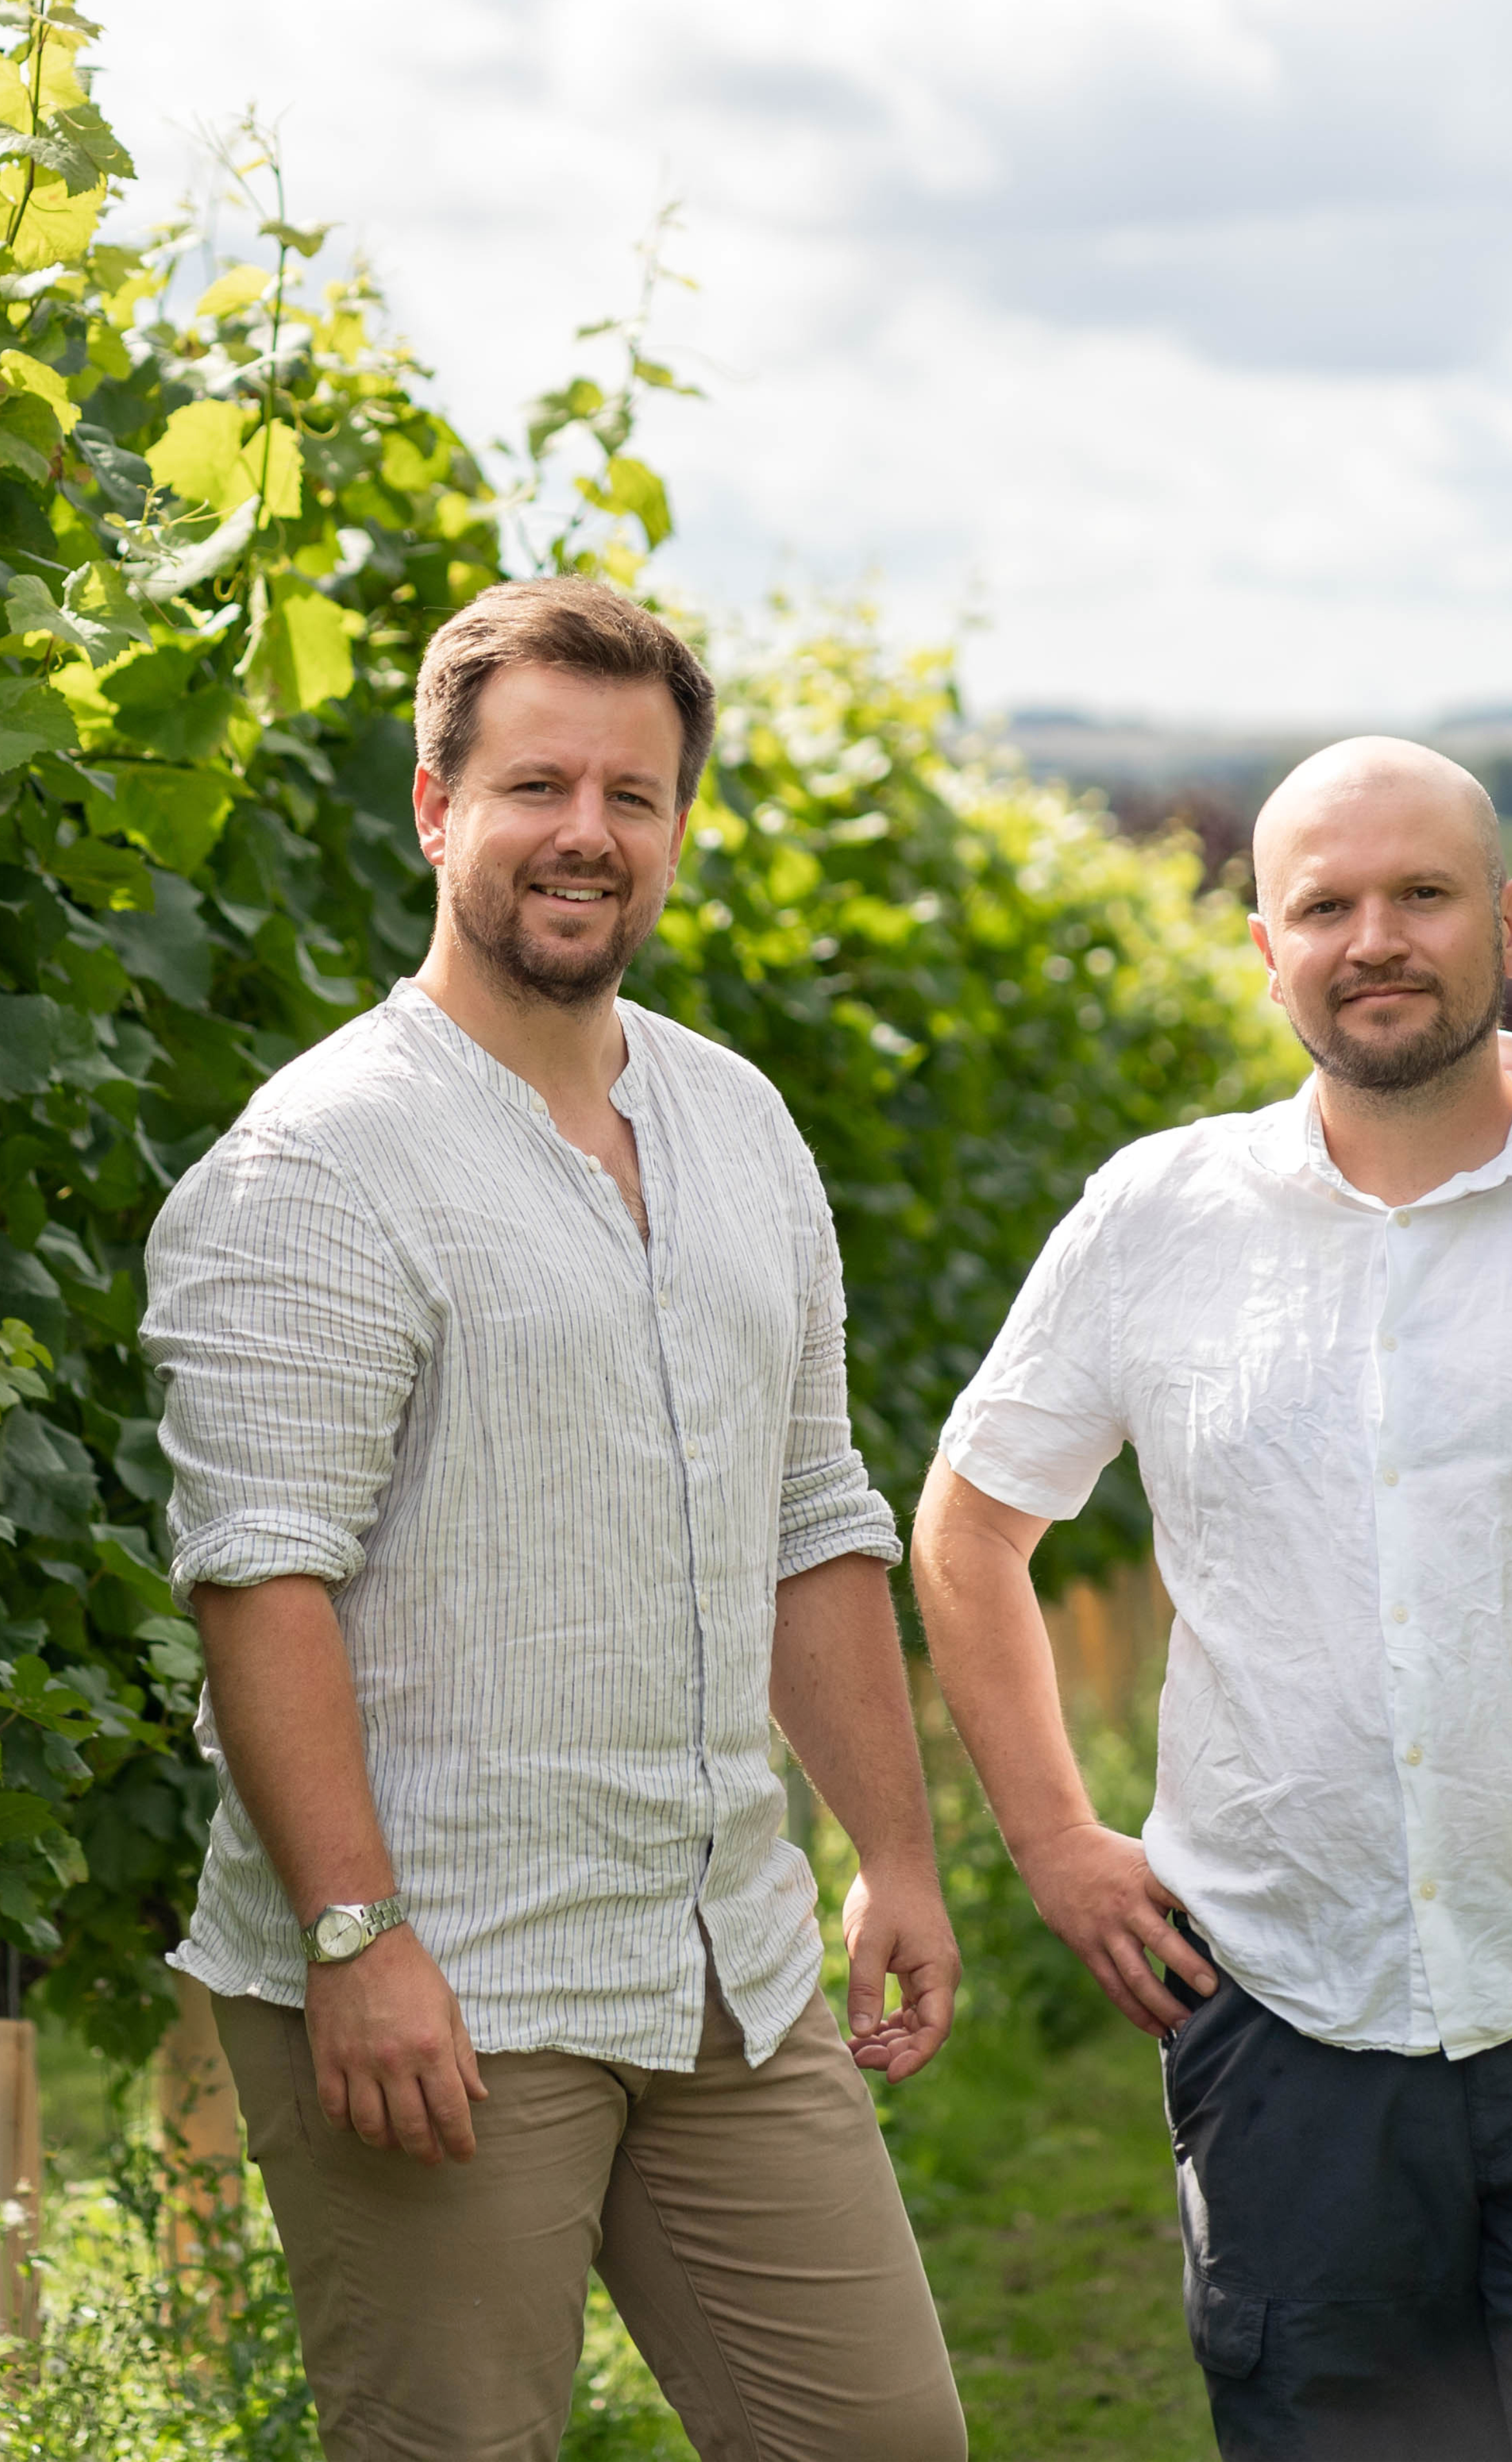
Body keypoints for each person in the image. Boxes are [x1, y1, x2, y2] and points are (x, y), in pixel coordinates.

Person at [911, 737, 1512, 2461]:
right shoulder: (1156, 1218)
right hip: (1287, 2031)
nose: (1375, 937)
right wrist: (1054, 1841)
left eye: (1422, 894)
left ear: (1506, 923)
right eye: (1326, 904)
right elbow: (968, 1520)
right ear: (1266, 948)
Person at [140, 577, 969, 2462]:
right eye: (534, 785)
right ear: (435, 809)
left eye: (634, 793)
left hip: (720, 1960)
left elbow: (814, 1515)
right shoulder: (316, 1163)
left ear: (675, 827)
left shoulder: (740, 1124)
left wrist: (893, 1855)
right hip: (444, 1975)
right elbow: (261, 1577)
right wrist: (354, 1936)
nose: (585, 832)